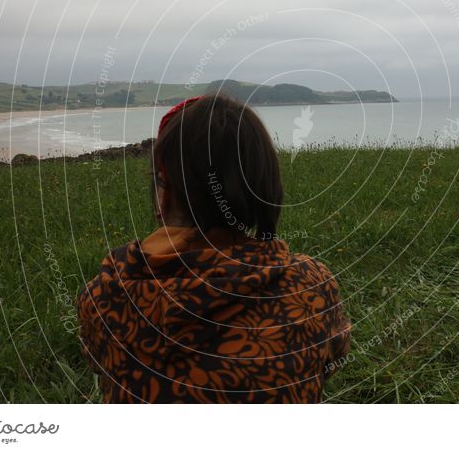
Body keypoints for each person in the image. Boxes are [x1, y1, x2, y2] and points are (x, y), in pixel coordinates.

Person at [76, 94, 351, 403]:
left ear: (164, 194)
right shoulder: (312, 287)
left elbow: (97, 360)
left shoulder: (107, 293)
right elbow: (331, 361)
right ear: (265, 186)